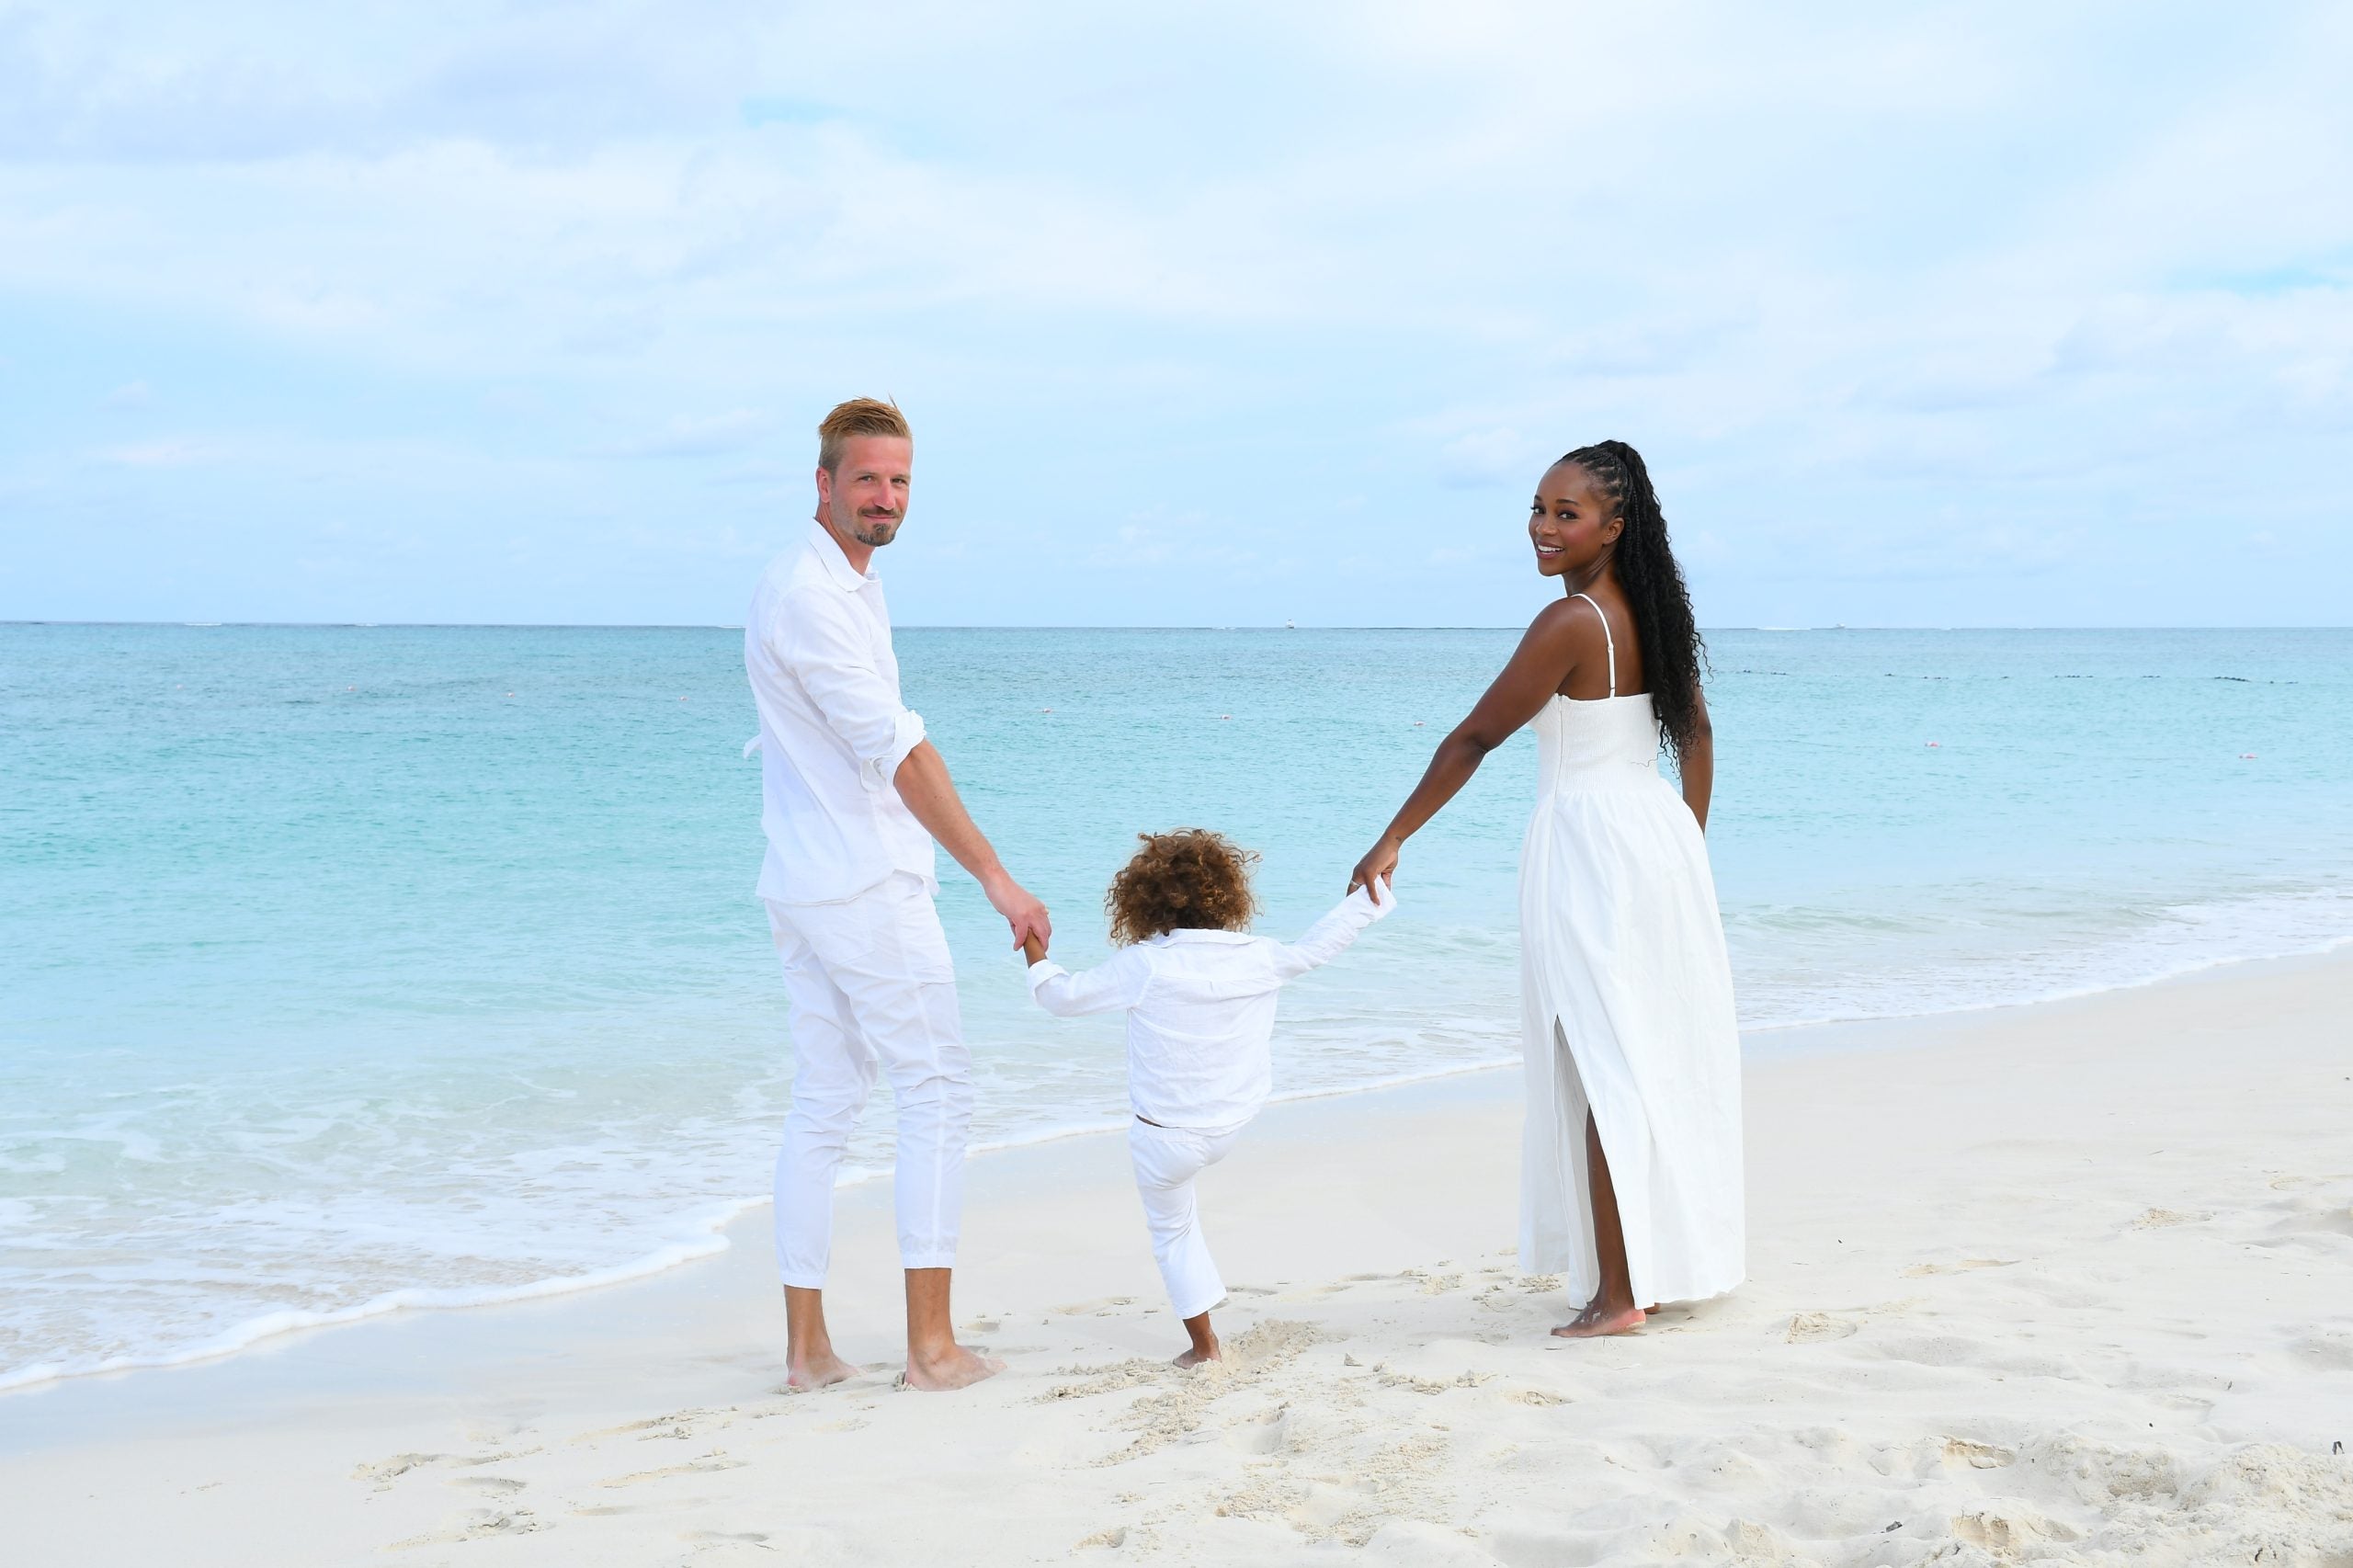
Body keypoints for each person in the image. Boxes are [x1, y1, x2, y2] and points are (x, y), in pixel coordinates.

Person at [1349, 440, 1743, 1338]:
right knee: (1638, 1055)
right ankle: (1642, 1267)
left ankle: (1618, 1296)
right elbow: (1700, 734)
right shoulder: (1650, 613)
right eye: (1537, 506)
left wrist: (1391, 836)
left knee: (1600, 1062)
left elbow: (1473, 739)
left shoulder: (1568, 625)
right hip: (1650, 836)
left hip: (1590, 847)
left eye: (1567, 512)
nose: (1543, 526)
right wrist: (1688, 843)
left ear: (1615, 524)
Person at [746, 397, 1051, 1392]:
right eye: (868, 479)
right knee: (935, 1086)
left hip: (806, 877)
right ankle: (929, 1349)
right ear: (824, 483)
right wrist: (996, 878)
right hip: (860, 881)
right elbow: (898, 751)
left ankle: (807, 1351)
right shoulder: (811, 596)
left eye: (901, 481)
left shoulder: (835, 580)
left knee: (828, 1096)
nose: (886, 498)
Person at [1018, 830, 1393, 1366]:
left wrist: (1032, 942)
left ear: (1141, 902)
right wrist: (1367, 897)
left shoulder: (1146, 965)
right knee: (1182, 1214)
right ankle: (1204, 1338)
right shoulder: (1260, 956)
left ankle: (1204, 1348)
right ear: (1228, 895)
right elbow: (1320, 945)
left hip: (1165, 1138)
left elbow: (1060, 998)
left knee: (1173, 1232)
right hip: (1231, 1122)